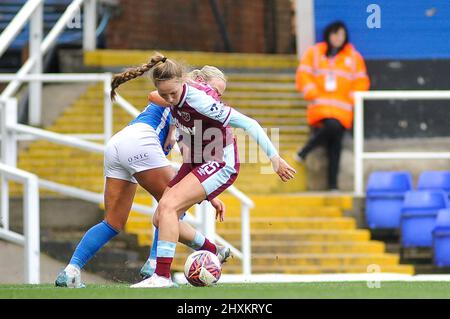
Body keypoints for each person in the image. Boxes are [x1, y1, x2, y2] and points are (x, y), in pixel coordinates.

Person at [108, 53, 296, 288]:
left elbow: (250, 123)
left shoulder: (202, 101)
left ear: (183, 84)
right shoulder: (173, 93)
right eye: (165, 94)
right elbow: (157, 97)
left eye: (172, 94)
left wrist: (275, 158)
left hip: (220, 161)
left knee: (167, 207)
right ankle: (212, 250)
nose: (169, 99)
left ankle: (161, 276)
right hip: (198, 160)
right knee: (160, 217)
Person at [54, 66, 230, 288]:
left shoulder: (188, 110)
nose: (217, 97)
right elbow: (154, 95)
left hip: (119, 143)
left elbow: (190, 160)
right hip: (140, 141)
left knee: (113, 222)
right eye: (215, 90)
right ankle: (158, 265)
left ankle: (71, 271)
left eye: (220, 94)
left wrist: (210, 195)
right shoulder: (187, 97)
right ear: (199, 82)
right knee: (172, 207)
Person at [294, 21, 370, 190]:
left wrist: (351, 98)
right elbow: (303, 75)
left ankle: (331, 182)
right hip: (320, 107)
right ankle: (308, 153)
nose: (338, 38)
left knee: (335, 145)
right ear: (329, 35)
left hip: (342, 110)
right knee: (332, 129)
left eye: (341, 35)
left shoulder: (353, 57)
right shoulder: (315, 53)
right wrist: (311, 92)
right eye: (335, 34)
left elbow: (361, 81)